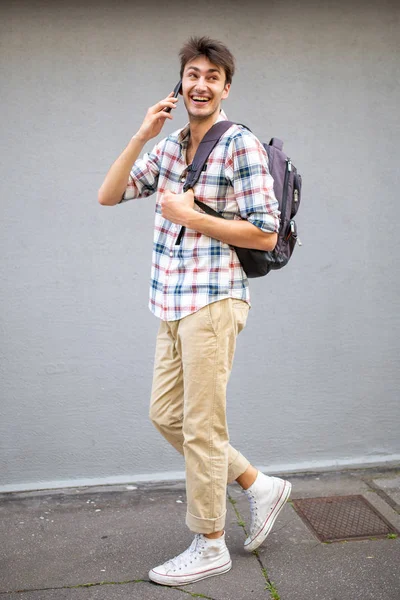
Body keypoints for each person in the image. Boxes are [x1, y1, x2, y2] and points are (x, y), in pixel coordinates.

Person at [98, 36, 291, 587]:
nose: (200, 84)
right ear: (179, 85)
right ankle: (258, 484)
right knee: (168, 415)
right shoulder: (169, 147)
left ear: (226, 87)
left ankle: (209, 543)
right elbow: (109, 195)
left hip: (215, 298)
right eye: (192, 75)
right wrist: (142, 134)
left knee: (204, 426)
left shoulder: (240, 146)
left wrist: (193, 215)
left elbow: (265, 230)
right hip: (171, 302)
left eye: (212, 76)